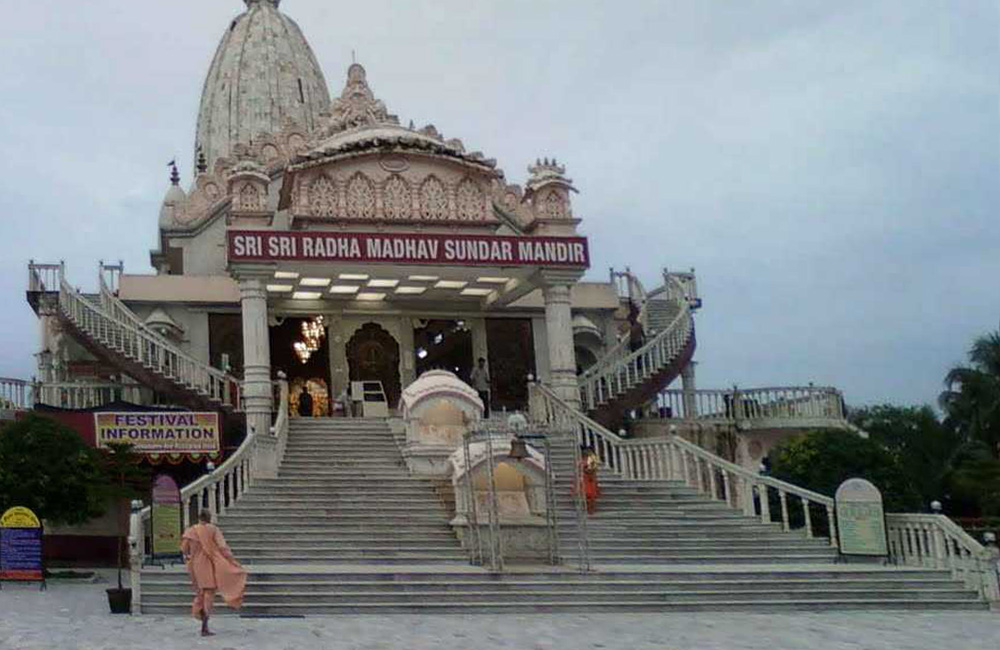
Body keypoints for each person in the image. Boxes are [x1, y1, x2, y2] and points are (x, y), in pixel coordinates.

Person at [181, 510, 247, 637]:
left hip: (195, 565)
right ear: (209, 518)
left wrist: (191, 555)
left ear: (199, 518)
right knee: (209, 593)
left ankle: (201, 619)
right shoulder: (213, 530)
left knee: (201, 592)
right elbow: (223, 547)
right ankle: (204, 625)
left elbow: (184, 548)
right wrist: (232, 561)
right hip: (208, 564)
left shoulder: (191, 531)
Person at [579, 445, 601, 514]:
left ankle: (591, 508)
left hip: (589, 478)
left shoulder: (592, 459)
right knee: (585, 494)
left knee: (591, 494)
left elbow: (593, 468)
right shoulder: (582, 460)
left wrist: (588, 470)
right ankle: (586, 508)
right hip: (585, 478)